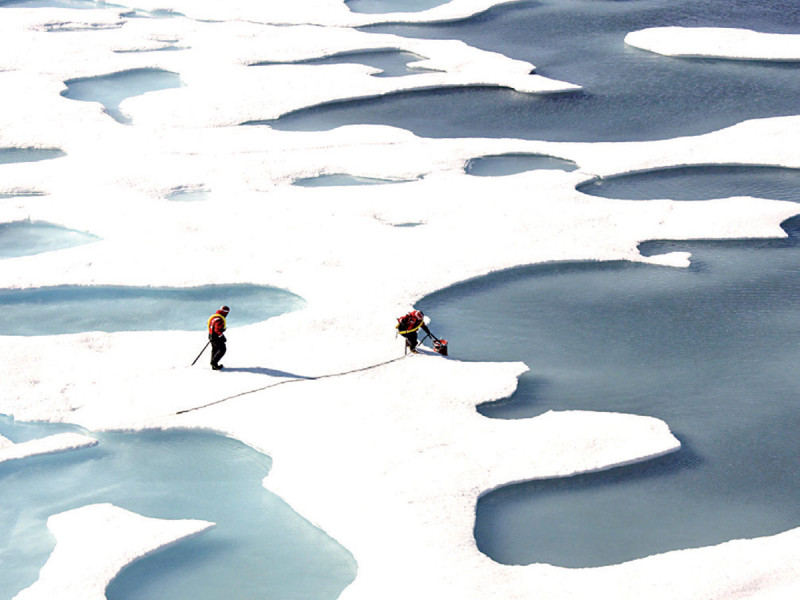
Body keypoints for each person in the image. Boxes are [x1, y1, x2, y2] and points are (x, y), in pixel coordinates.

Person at [207, 305, 230, 370]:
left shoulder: (214, 317)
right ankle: (214, 363)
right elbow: (217, 330)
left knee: (215, 350)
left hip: (211, 335)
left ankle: (214, 365)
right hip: (216, 337)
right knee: (222, 349)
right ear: (225, 312)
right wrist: (222, 336)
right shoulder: (219, 319)